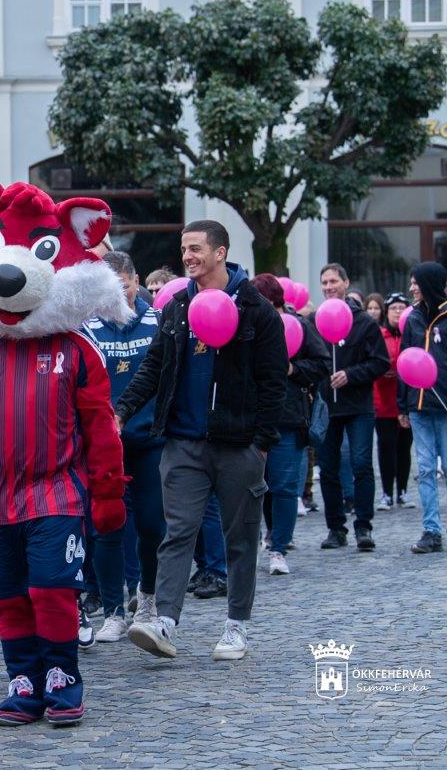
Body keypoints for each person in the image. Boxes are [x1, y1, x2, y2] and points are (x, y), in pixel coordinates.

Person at [118, 220, 284, 662]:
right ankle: (166, 621)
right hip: (183, 442)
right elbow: (153, 368)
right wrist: (121, 411)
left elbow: (273, 383)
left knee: (241, 537)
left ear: (219, 253)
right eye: (184, 249)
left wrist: (261, 443)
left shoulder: (256, 310)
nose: (187, 257)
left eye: (195, 249)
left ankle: (236, 626)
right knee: (177, 532)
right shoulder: (176, 309)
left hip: (239, 444)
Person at [85, 251, 166, 642]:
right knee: (107, 528)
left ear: (135, 281)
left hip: (149, 440)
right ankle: (113, 612)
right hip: (103, 446)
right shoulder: (85, 328)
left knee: (153, 525)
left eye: (124, 285)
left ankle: (146, 598)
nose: (117, 294)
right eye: (108, 288)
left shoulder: (157, 321)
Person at [252, 274, 330, 576]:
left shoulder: (299, 326)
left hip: (289, 418)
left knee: (284, 486)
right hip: (256, 418)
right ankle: (268, 535)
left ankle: (279, 546)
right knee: (260, 487)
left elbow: (321, 364)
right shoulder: (249, 326)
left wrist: (293, 369)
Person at [401, 262, 447, 552]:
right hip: (419, 407)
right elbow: (407, 361)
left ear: (429, 283)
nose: (411, 288)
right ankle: (431, 530)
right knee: (426, 469)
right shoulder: (413, 319)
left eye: (415, 282)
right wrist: (403, 405)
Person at [316, 263, 389, 551]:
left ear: (346, 283)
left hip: (358, 406)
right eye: (324, 282)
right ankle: (336, 528)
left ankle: (363, 527)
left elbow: (380, 362)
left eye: (334, 281)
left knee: (361, 466)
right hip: (327, 408)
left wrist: (351, 375)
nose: (329, 287)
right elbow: (311, 360)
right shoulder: (315, 321)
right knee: (329, 469)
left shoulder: (365, 323)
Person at [375, 293, 414, 511]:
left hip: (406, 400)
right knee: (385, 446)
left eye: (402, 307)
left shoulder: (411, 335)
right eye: (393, 308)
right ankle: (387, 493)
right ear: (386, 312)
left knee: (404, 447)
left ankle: (403, 491)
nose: (398, 312)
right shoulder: (380, 335)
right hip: (384, 400)